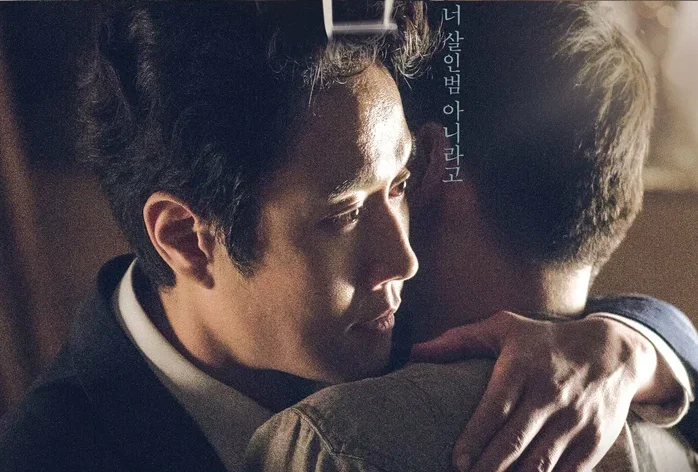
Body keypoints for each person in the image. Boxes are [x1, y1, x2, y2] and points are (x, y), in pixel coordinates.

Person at [0, 3, 694, 472]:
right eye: (343, 215)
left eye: (400, 185)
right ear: (186, 237)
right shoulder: (55, 453)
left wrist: (634, 347)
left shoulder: (381, 329)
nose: (405, 259)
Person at [244, 3, 698, 472]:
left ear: (423, 164)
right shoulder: (669, 425)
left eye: (397, 176)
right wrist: (642, 342)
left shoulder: (331, 440)